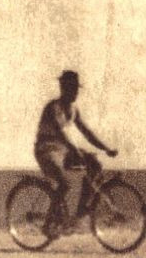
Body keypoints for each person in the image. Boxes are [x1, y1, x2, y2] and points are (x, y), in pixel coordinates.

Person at [33, 70, 117, 232]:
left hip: (63, 149)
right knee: (64, 183)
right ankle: (48, 223)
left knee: (94, 165)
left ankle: (81, 212)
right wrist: (75, 151)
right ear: (63, 88)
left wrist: (106, 148)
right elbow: (61, 133)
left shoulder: (73, 109)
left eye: (76, 89)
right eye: (71, 88)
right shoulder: (54, 107)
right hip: (46, 149)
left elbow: (87, 131)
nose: (75, 92)